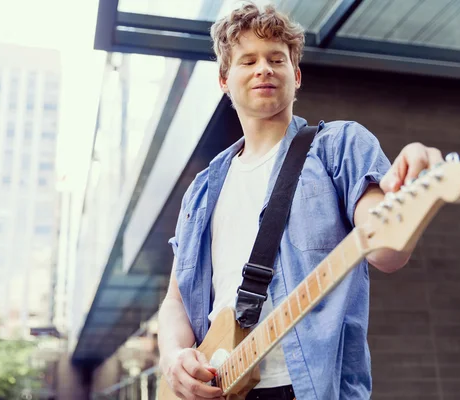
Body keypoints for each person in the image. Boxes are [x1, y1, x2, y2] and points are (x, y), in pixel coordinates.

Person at [157, 2, 444, 399]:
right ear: (224, 79)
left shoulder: (339, 146)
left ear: (296, 75)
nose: (264, 69)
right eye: (248, 60)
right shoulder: (202, 188)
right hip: (218, 387)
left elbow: (387, 253)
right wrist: (173, 356)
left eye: (277, 58)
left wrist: (408, 193)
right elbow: (175, 300)